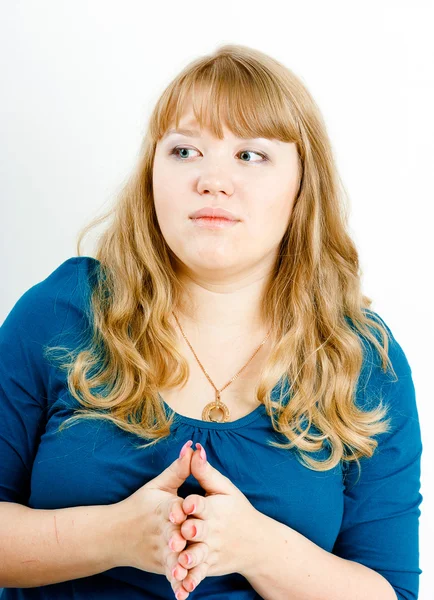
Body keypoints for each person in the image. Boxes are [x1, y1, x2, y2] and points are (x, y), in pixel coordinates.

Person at [0, 44, 423, 600]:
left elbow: (390, 591)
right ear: (152, 175)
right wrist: (115, 536)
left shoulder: (362, 359)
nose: (213, 180)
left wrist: (257, 548)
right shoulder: (63, 310)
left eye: (251, 155)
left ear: (302, 188)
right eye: (184, 151)